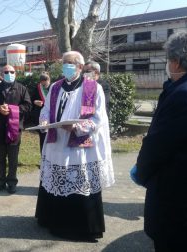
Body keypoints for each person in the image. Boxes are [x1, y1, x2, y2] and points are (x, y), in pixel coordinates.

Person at [131, 30, 187, 252]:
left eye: (168, 59)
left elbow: (157, 146)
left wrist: (141, 172)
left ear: (176, 62)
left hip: (177, 197)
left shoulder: (186, 94)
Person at [35, 51, 114, 241]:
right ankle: (53, 221)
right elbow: (46, 110)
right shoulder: (55, 87)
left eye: (70, 63)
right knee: (57, 181)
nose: (66, 66)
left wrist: (77, 127)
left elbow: (98, 118)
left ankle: (80, 228)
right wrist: (45, 122)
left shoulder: (93, 88)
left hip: (80, 146)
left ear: (80, 66)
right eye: (64, 63)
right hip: (56, 144)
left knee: (79, 182)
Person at [0, 65, 32, 194]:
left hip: (15, 129)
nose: (9, 73)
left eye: (12, 72)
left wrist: (13, 110)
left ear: (15, 73)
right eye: (6, 72)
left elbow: (28, 106)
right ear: (1, 73)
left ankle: (12, 183)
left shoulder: (22, 88)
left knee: (13, 158)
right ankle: (0, 182)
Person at [31, 71, 51, 154]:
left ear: (49, 80)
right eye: (42, 82)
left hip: (52, 116)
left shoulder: (54, 88)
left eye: (45, 81)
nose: (44, 83)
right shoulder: (37, 88)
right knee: (42, 137)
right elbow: (31, 99)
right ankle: (43, 157)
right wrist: (35, 102)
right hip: (41, 116)